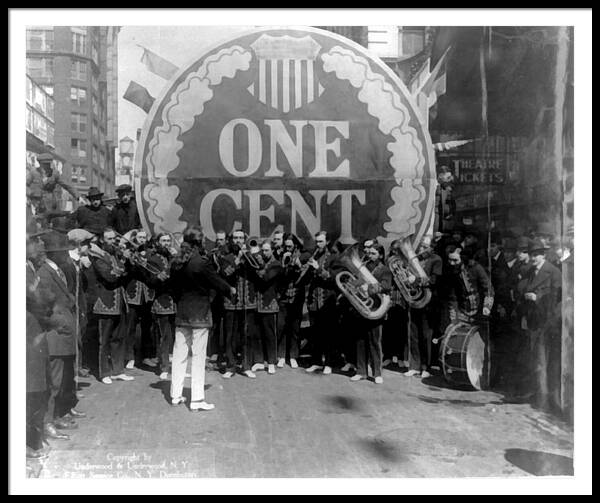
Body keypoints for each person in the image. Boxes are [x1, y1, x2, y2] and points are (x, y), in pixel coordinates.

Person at [169, 227, 235, 411]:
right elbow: (217, 282)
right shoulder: (201, 263)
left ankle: (175, 395)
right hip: (200, 314)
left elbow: (172, 288)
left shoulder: (176, 262)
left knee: (179, 354)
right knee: (198, 357)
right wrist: (230, 290)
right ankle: (197, 399)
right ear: (199, 242)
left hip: (182, 313)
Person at [36, 237, 83, 440]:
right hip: (56, 333)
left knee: (63, 379)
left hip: (65, 331)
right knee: (54, 381)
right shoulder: (44, 273)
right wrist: (60, 323)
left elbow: (65, 296)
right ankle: (47, 422)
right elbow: (44, 305)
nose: (66, 253)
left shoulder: (57, 269)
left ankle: (58, 415)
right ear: (53, 253)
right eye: (63, 250)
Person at [516, 238, 562, 405]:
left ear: (544, 255)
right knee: (534, 358)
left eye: (537, 255)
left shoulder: (554, 272)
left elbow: (558, 299)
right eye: (532, 254)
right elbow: (520, 290)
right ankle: (537, 393)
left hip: (547, 323)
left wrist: (538, 298)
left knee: (545, 360)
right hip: (532, 321)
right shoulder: (529, 272)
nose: (533, 258)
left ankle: (545, 398)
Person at [89, 227, 134, 385]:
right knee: (105, 340)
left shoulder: (115, 254)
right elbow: (110, 276)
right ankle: (104, 373)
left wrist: (125, 262)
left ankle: (117, 370)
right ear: (102, 240)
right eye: (109, 239)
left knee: (119, 338)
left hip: (120, 301)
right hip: (105, 303)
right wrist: (123, 263)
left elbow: (125, 274)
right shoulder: (97, 256)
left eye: (114, 239)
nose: (113, 242)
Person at [349, 243, 392, 384]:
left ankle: (377, 372)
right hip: (362, 307)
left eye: (373, 253)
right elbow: (357, 282)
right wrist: (354, 284)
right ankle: (361, 371)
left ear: (380, 255)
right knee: (360, 340)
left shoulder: (385, 269)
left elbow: (386, 286)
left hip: (376, 308)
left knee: (375, 341)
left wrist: (370, 288)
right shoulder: (364, 267)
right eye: (369, 253)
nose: (370, 256)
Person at [26, 235, 52, 457]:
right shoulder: (23, 269)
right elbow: (39, 299)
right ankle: (29, 443)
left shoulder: (31, 267)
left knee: (37, 386)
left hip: (34, 332)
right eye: (35, 241)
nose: (41, 245)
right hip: (27, 334)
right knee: (31, 389)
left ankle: (35, 438)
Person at [221, 230, 259, 379]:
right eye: (235, 238)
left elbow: (260, 270)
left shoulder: (251, 257)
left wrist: (250, 255)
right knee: (230, 334)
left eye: (241, 238)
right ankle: (230, 366)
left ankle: (246, 365)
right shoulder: (226, 257)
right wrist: (238, 259)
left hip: (248, 302)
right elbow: (225, 274)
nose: (238, 240)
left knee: (247, 334)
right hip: (231, 302)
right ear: (231, 240)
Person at [404, 236, 443, 379]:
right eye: (420, 246)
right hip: (415, 300)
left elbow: (434, 280)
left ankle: (426, 367)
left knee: (426, 335)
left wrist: (417, 280)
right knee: (413, 333)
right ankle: (414, 366)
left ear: (431, 247)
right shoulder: (415, 261)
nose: (421, 249)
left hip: (429, 301)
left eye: (425, 246)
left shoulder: (436, 260)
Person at [141, 232, 177, 380]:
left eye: (168, 241)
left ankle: (174, 366)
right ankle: (163, 366)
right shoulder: (153, 258)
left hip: (175, 301)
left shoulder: (175, 257)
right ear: (157, 242)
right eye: (163, 240)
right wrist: (161, 276)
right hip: (160, 301)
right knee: (164, 336)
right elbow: (150, 281)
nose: (166, 243)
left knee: (176, 336)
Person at [121, 229, 156, 370]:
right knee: (130, 327)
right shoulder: (129, 252)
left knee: (147, 327)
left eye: (144, 238)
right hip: (132, 295)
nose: (142, 240)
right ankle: (129, 357)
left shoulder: (150, 253)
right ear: (135, 239)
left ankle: (146, 356)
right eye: (139, 237)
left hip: (147, 295)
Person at [305, 231, 338, 375]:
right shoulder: (314, 256)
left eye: (320, 242)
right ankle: (316, 361)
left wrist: (318, 268)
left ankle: (329, 363)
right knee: (315, 333)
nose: (317, 244)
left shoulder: (334, 257)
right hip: (314, 301)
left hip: (327, 301)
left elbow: (334, 278)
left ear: (327, 242)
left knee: (328, 334)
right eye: (316, 242)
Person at [251, 240, 283, 375]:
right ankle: (258, 361)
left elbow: (266, 278)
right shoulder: (260, 263)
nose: (264, 253)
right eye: (262, 250)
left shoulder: (276, 264)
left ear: (272, 251)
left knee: (269, 334)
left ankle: (271, 362)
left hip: (269, 303)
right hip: (257, 303)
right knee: (257, 333)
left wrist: (258, 263)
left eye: (266, 250)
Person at [276, 234, 305, 369]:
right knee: (281, 326)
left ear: (295, 245)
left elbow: (306, 277)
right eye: (286, 245)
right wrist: (282, 263)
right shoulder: (280, 255)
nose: (288, 248)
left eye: (290, 246)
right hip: (282, 296)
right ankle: (281, 356)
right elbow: (277, 276)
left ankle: (293, 356)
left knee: (294, 328)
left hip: (296, 296)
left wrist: (299, 265)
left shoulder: (302, 256)